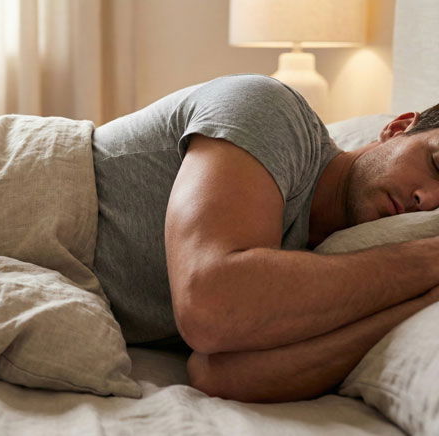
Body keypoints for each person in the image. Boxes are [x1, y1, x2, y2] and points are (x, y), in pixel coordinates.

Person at [90, 74, 439, 402]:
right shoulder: (272, 111)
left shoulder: (342, 266)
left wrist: (418, 304)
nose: (429, 201)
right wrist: (427, 260)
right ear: (397, 128)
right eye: (436, 164)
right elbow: (209, 305)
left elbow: (220, 375)